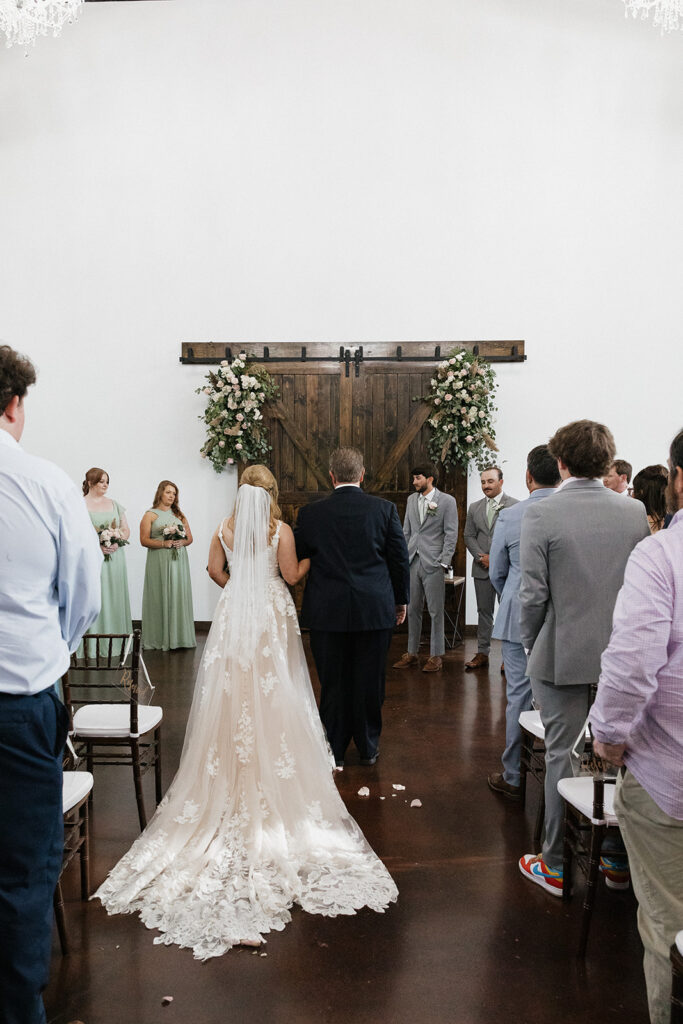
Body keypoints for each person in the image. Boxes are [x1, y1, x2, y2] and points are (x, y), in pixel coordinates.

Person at [95, 465, 398, 957]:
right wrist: (302, 567)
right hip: (271, 610)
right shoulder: (280, 530)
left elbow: (215, 571)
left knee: (229, 685)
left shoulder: (223, 526)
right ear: (273, 493)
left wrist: (238, 584)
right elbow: (294, 573)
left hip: (236, 608)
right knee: (276, 685)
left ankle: (228, 760)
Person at [0, 345, 101, 1024]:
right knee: (19, 873)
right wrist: (45, 653)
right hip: (18, 703)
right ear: (14, 405)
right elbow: (84, 598)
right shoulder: (43, 484)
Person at [517, 420, 650, 896]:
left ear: (560, 462)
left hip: (561, 652)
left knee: (562, 755)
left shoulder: (542, 514)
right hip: (622, 655)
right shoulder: (634, 512)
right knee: (618, 757)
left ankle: (554, 864)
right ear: (608, 463)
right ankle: (615, 860)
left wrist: (530, 641)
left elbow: (532, 595)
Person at [590, 430, 683, 1024]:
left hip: (670, 776)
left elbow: (630, 667)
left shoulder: (662, 555)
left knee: (669, 927)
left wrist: (609, 740)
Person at [294, 447, 410, 767]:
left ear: (331, 476)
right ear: (362, 475)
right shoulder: (384, 510)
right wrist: (401, 601)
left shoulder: (310, 514)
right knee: (370, 681)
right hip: (374, 609)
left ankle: (333, 749)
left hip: (325, 611)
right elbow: (399, 560)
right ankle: (368, 747)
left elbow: (297, 558)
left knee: (333, 681)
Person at [487, 445, 560, 799]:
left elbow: (497, 571)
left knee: (519, 694)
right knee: (562, 694)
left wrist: (512, 596)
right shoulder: (569, 510)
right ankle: (562, 774)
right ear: (561, 474)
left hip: (518, 615)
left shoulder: (511, 515)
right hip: (562, 618)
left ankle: (513, 775)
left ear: (528, 477)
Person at [393, 462, 458, 674]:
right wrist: (404, 557)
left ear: (430, 478)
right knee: (412, 609)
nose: (414, 482)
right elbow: (406, 531)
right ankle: (412, 653)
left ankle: (436, 655)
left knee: (435, 610)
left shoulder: (447, 501)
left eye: (417, 478)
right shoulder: (412, 500)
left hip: (434, 563)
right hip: (412, 561)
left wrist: (443, 560)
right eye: (413, 478)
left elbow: (451, 533)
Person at [463, 466, 518, 670]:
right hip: (481, 569)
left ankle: (508, 658)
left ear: (501, 482)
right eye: (483, 482)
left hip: (507, 571)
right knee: (483, 612)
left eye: (490, 481)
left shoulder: (515, 506)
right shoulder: (474, 507)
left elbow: (517, 538)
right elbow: (468, 535)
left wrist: (495, 560)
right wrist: (481, 558)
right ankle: (482, 653)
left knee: (508, 612)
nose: (486, 485)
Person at [81, 467, 132, 656]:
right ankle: (92, 646)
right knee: (95, 597)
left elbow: (125, 529)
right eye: (101, 481)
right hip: (93, 559)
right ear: (90, 482)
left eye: (107, 481)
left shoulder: (114, 504)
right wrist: (97, 546)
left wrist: (117, 542)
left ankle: (117, 643)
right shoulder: (80, 504)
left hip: (115, 559)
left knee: (114, 596)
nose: (105, 485)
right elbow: (77, 533)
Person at [140, 479, 196, 651]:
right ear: (160, 493)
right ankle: (158, 638)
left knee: (178, 593)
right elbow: (143, 540)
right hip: (159, 560)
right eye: (168, 492)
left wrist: (182, 543)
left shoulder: (179, 515)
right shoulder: (150, 514)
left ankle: (180, 638)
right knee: (159, 594)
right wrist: (163, 544)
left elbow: (190, 538)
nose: (172, 496)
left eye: (174, 493)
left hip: (178, 561)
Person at [632, 463, 668, 533]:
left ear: (641, 492)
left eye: (634, 490)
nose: (632, 495)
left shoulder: (634, 523)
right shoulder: (676, 522)